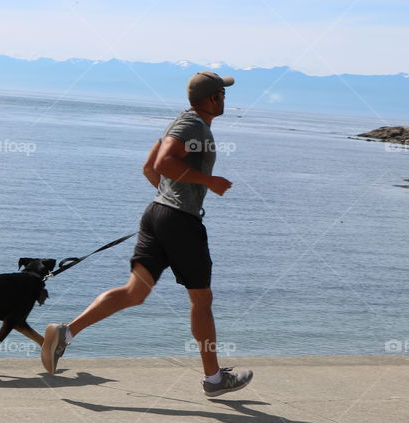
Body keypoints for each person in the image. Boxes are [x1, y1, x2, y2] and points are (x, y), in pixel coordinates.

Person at [40, 71, 253, 397]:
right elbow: (165, 163)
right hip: (179, 222)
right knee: (201, 300)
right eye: (223, 95)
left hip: (158, 215)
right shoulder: (193, 126)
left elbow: (149, 168)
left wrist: (171, 201)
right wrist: (205, 184)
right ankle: (214, 379)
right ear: (213, 99)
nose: (226, 99)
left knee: (134, 293)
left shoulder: (180, 122)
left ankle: (66, 333)